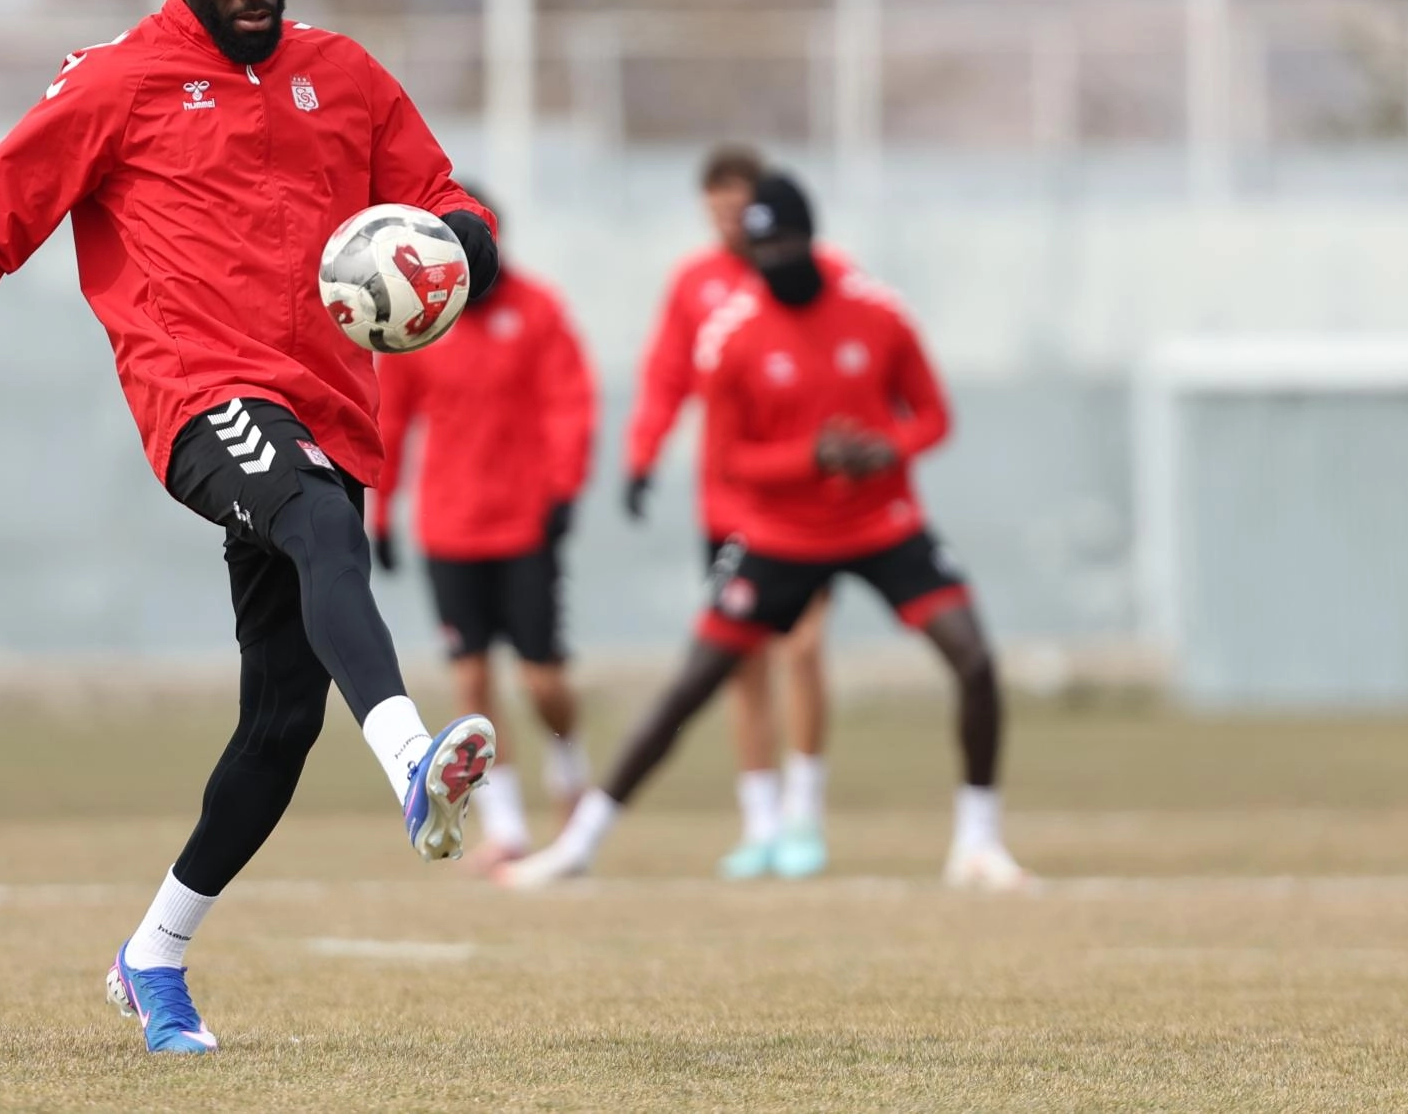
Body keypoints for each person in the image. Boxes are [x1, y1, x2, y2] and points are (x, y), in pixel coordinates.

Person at [0, 0, 505, 1055]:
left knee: (280, 724)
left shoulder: (344, 74)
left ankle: (153, 955)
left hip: (328, 413)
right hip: (201, 401)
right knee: (318, 522)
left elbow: (443, 198)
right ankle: (410, 757)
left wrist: (464, 247)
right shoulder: (117, 83)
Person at [505, 173, 1031, 893]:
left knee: (973, 658)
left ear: (811, 239)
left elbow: (934, 417)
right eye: (761, 249)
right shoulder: (733, 335)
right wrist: (811, 456)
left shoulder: (879, 313)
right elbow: (730, 462)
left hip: (882, 522)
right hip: (782, 533)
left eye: (784, 243)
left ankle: (977, 841)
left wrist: (887, 448)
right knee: (692, 685)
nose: (773, 259)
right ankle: (580, 842)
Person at [623, 146, 837, 879]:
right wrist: (642, 456)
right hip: (727, 501)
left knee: (802, 645)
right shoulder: (695, 284)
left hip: (804, 501)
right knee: (740, 659)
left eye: (737, 208)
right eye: (715, 211)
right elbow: (665, 375)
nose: (728, 223)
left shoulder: (810, 276)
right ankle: (761, 820)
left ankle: (806, 810)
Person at [372, 200, 597, 868]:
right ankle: (507, 827)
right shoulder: (417, 321)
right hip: (448, 527)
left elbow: (570, 403)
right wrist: (380, 513)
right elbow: (391, 419)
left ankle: (570, 772)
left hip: (525, 524)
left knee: (541, 680)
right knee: (471, 681)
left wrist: (564, 488)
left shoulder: (538, 310)